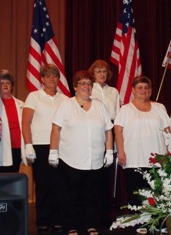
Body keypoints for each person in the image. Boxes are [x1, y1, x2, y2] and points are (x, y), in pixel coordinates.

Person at [49, 70, 114, 235]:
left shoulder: (99, 105)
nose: (86, 87)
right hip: (71, 159)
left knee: (92, 195)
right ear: (75, 87)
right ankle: (71, 226)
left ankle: (90, 224)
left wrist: (109, 151)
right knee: (71, 196)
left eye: (89, 84)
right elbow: (56, 129)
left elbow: (108, 130)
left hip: (96, 160)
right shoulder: (66, 105)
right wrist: (53, 152)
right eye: (82, 83)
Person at [22, 64, 69, 233]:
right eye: (48, 76)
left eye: (55, 76)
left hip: (61, 146)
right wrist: (28, 145)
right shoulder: (34, 96)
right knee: (43, 185)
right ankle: (43, 220)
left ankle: (58, 220)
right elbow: (26, 123)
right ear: (42, 79)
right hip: (40, 146)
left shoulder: (65, 99)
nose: (52, 79)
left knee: (60, 185)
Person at [114, 75, 170, 207]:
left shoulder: (159, 107)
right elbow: (118, 131)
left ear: (150, 90)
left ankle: (156, 223)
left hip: (158, 159)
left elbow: (168, 131)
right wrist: (121, 152)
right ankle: (140, 224)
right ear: (133, 90)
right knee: (136, 193)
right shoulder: (126, 109)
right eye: (140, 87)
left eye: (146, 87)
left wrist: (169, 152)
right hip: (134, 159)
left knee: (157, 194)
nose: (143, 90)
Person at [88, 59, 120, 227]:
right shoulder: (88, 88)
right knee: (93, 176)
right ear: (93, 73)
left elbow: (118, 114)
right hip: (93, 132)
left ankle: (105, 214)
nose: (101, 74)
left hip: (110, 132)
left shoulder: (113, 91)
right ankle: (91, 214)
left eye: (104, 71)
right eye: (98, 71)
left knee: (106, 177)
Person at [0, 69, 27, 173]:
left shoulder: (21, 104)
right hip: (0, 151)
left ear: (12, 86)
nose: (5, 85)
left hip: (17, 149)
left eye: (8, 82)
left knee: (12, 182)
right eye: (1, 83)